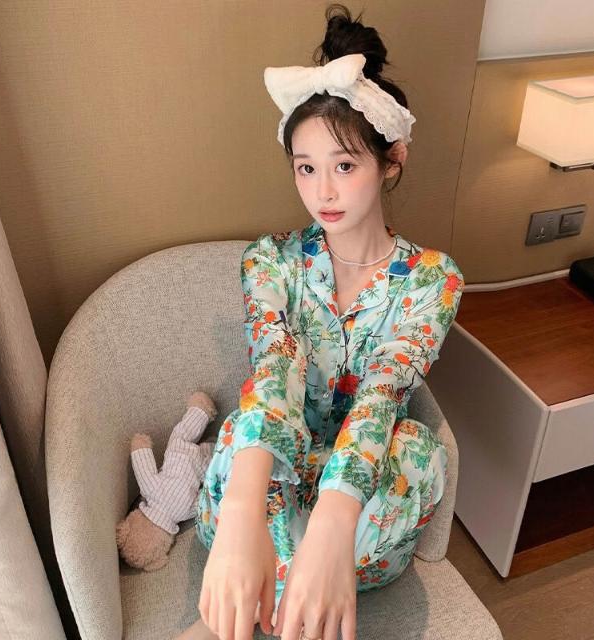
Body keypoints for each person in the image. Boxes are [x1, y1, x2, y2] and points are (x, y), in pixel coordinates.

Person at [176, 4, 465, 640]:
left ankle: (259, 608)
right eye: (306, 167)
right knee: (244, 432)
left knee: (419, 452)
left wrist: (332, 525)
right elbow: (274, 371)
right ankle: (288, 596)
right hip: (271, 480)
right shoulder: (269, 261)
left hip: (359, 511)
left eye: (345, 165)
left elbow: (382, 394)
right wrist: (244, 511)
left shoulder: (432, 279)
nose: (322, 192)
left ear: (393, 160)